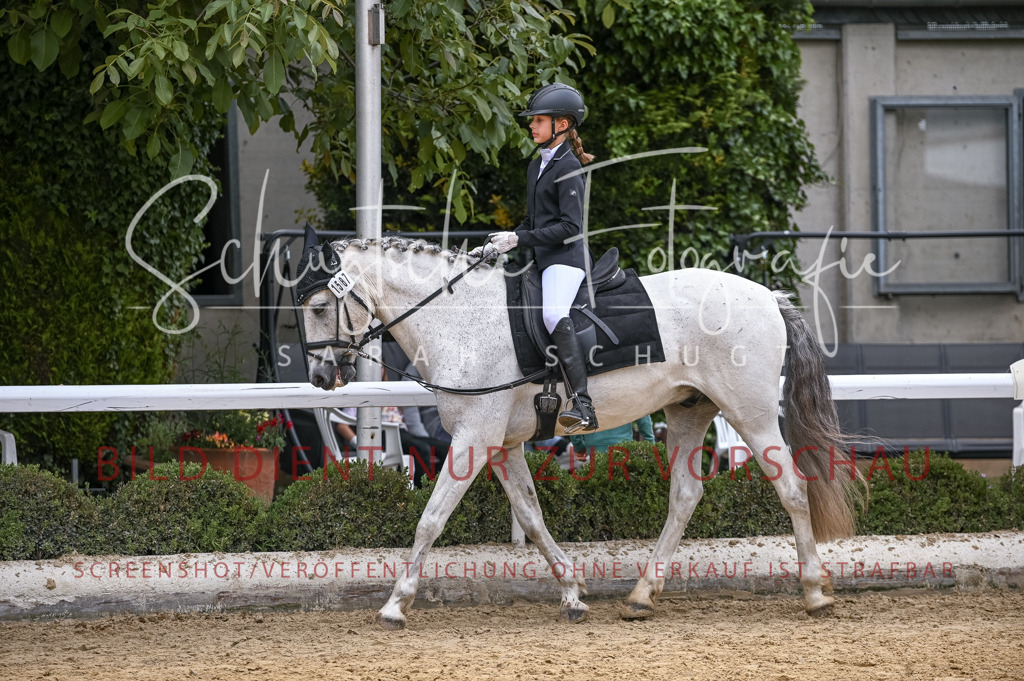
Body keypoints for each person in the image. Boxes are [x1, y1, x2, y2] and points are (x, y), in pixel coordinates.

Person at [486, 82, 599, 434]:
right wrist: (500, 243)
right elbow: (533, 223)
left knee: (553, 314)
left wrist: (520, 237)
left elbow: (569, 227)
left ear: (561, 125)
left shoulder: (568, 168)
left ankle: (582, 403)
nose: (531, 126)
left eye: (538, 120)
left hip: (565, 259)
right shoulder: (537, 166)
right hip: (541, 257)